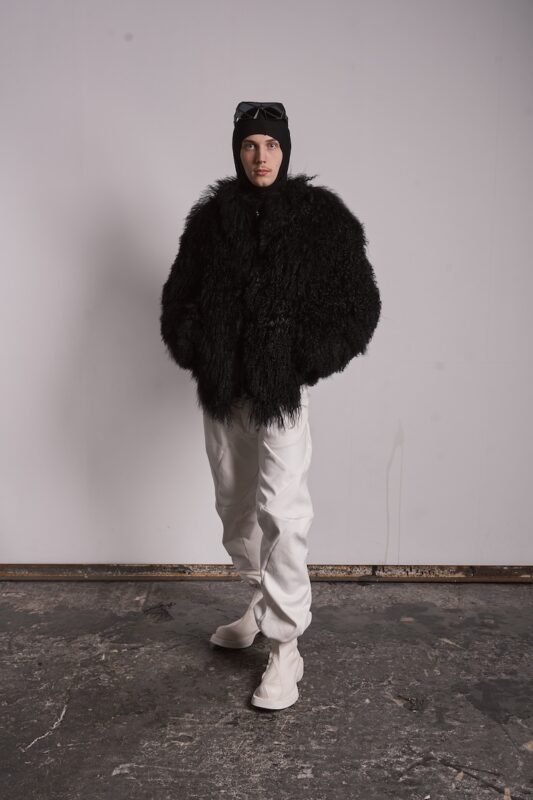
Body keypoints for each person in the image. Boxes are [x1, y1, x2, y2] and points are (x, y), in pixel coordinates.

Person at [160, 101, 382, 710]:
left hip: (279, 394)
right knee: (235, 511)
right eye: (251, 144)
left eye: (272, 145)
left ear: (287, 150)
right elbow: (179, 294)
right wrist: (197, 347)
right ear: (237, 151)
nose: (262, 156)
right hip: (222, 392)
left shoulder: (321, 218)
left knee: (283, 512)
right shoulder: (211, 219)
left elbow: (359, 303)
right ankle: (260, 603)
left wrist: (303, 360)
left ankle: (286, 646)